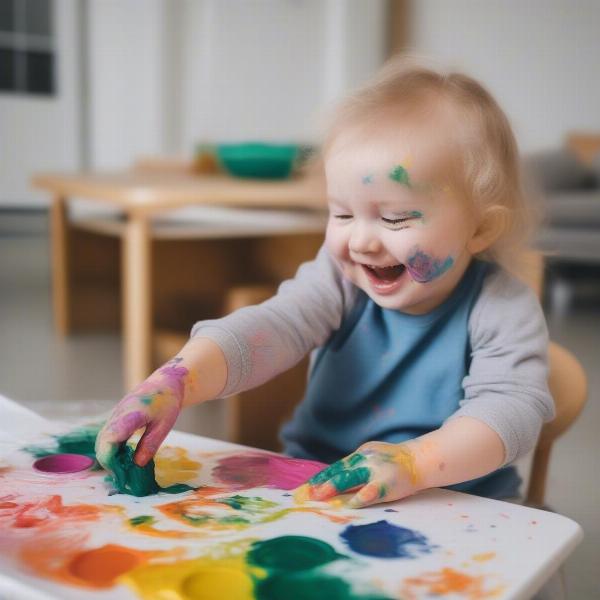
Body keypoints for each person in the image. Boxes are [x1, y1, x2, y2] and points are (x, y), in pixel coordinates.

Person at [95, 56, 554, 509]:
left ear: (480, 229)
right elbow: (271, 327)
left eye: (394, 218)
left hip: (456, 501)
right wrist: (179, 379)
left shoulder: (501, 305)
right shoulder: (339, 281)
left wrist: (415, 463)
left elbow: (510, 412)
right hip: (320, 486)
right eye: (342, 214)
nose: (361, 241)